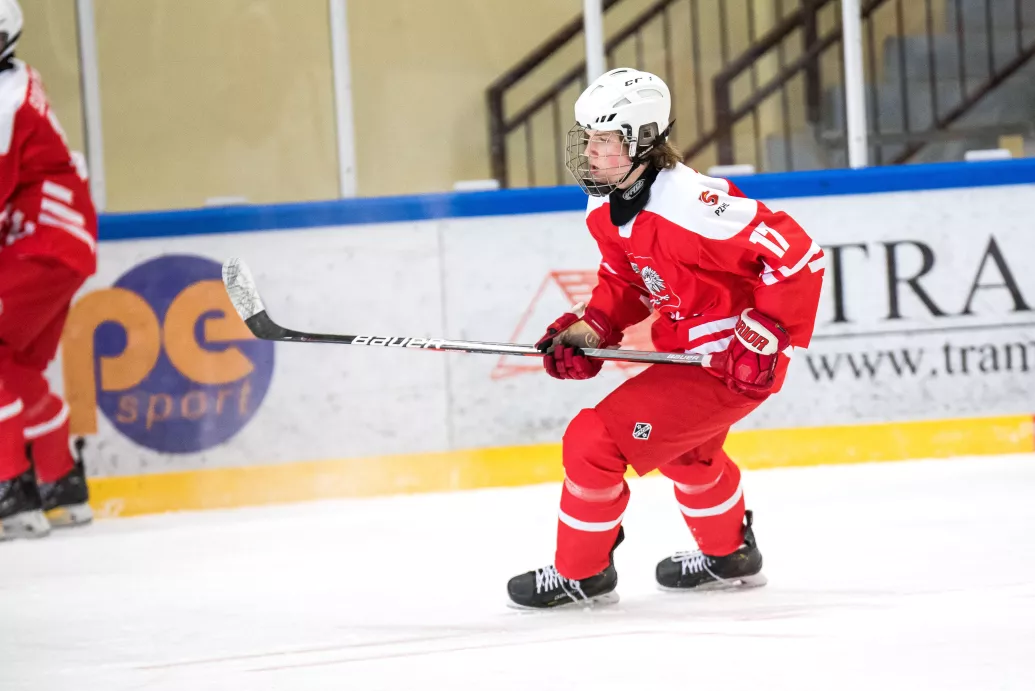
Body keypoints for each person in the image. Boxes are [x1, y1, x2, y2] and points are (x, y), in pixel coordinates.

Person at [506, 68, 825, 608]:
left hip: (728, 360)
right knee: (689, 456)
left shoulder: (690, 205)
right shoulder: (606, 203)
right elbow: (628, 278)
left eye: (604, 138)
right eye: (587, 137)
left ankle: (582, 573)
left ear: (642, 140)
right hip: (684, 349)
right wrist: (595, 325)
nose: (590, 150)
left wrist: (766, 334)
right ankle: (729, 556)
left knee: (592, 441)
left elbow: (798, 255)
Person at [0, 0, 97, 541]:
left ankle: (8, 487)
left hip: (41, 245)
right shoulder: (15, 82)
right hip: (57, 245)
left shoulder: (4, 99)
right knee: (13, 362)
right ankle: (59, 483)